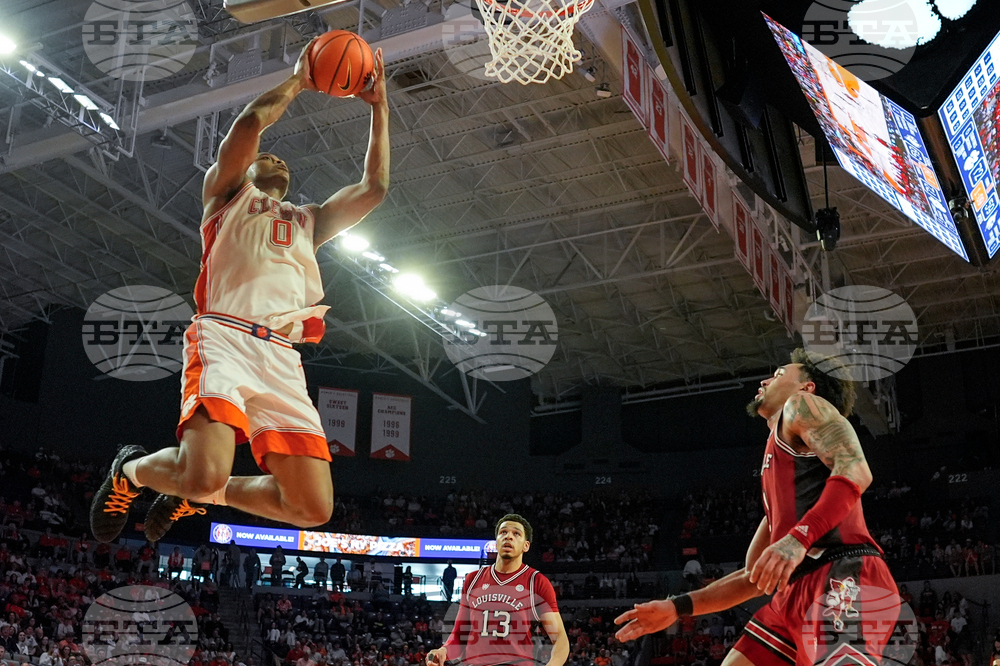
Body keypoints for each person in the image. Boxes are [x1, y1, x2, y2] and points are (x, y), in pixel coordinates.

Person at [88, 37, 390, 544]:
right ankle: (131, 471)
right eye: (266, 156)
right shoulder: (227, 195)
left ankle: (198, 495)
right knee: (202, 470)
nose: (277, 159)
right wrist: (300, 78)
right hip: (224, 336)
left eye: (283, 161)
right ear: (245, 169)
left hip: (282, 356)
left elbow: (374, 187)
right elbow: (251, 123)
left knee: (312, 507)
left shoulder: (309, 221)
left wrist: (380, 108)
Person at [615, 349, 898, 666]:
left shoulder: (802, 405)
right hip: (791, 594)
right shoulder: (779, 471)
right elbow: (754, 577)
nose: (765, 379)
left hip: (842, 573)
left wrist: (797, 539)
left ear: (807, 387)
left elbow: (856, 471)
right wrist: (676, 607)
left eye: (779, 374)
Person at [426, 514, 569, 666]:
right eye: (503, 532)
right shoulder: (473, 579)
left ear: (526, 546)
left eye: (516, 533)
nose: (509, 537)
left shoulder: (536, 582)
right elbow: (459, 637)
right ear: (496, 541)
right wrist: (443, 651)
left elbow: (560, 638)